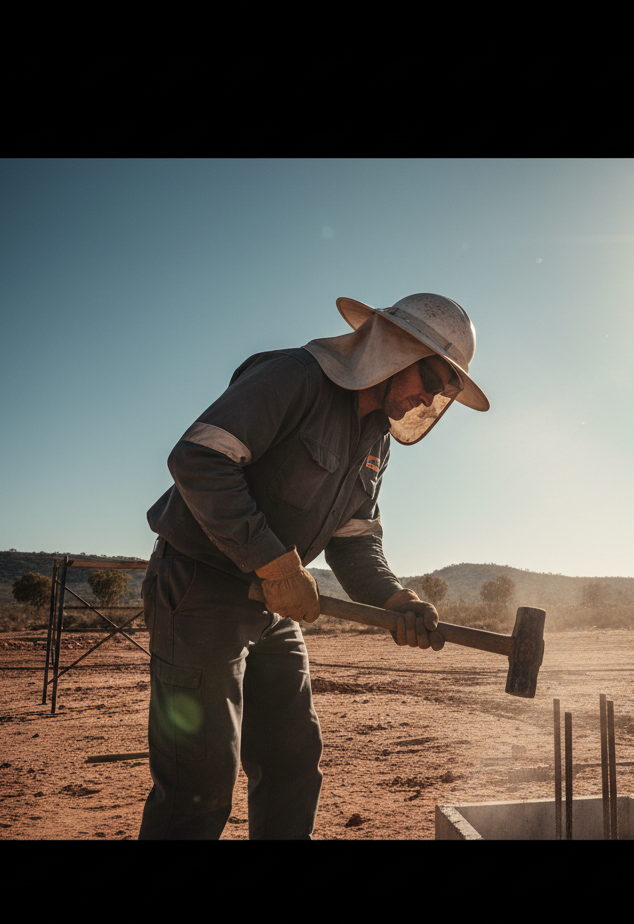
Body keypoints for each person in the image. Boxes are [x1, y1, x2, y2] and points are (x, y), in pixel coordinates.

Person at [138, 293, 490, 839]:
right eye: (434, 377)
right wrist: (275, 564)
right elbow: (199, 458)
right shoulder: (293, 377)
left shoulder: (374, 439)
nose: (431, 396)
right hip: (200, 591)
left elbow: (354, 544)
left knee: (291, 765)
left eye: (444, 390)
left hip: (276, 607)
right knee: (198, 784)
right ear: (394, 350)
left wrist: (399, 600)